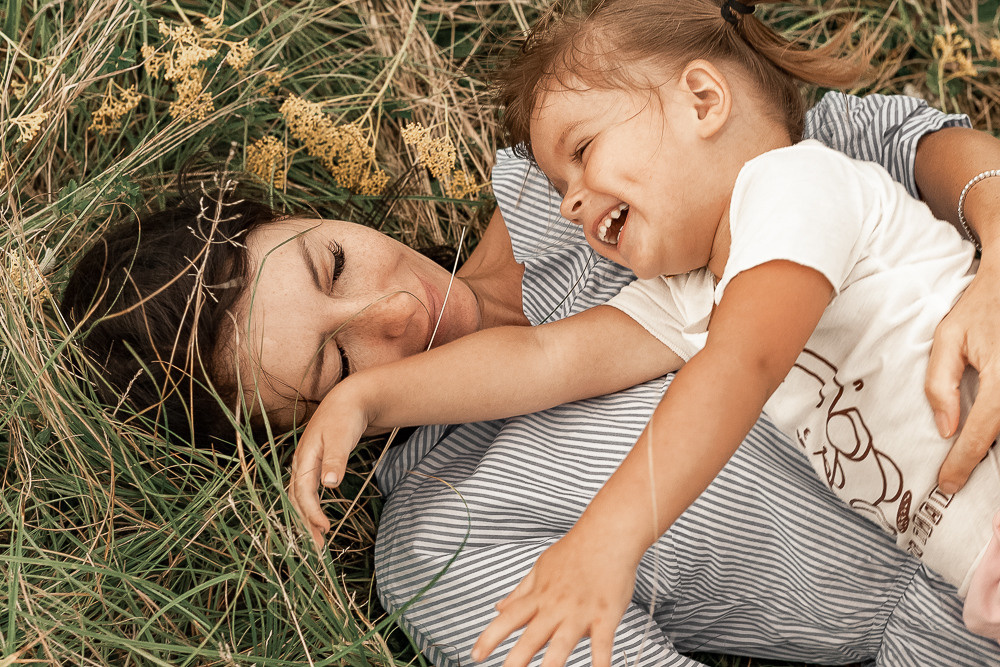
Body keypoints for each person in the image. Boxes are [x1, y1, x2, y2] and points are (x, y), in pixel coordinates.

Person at [61, 42, 1000, 667]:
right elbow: (555, 360)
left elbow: (870, 144)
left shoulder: (585, 187)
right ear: (301, 436)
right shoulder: (447, 539)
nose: (392, 307)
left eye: (333, 261)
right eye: (335, 367)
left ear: (314, 212)